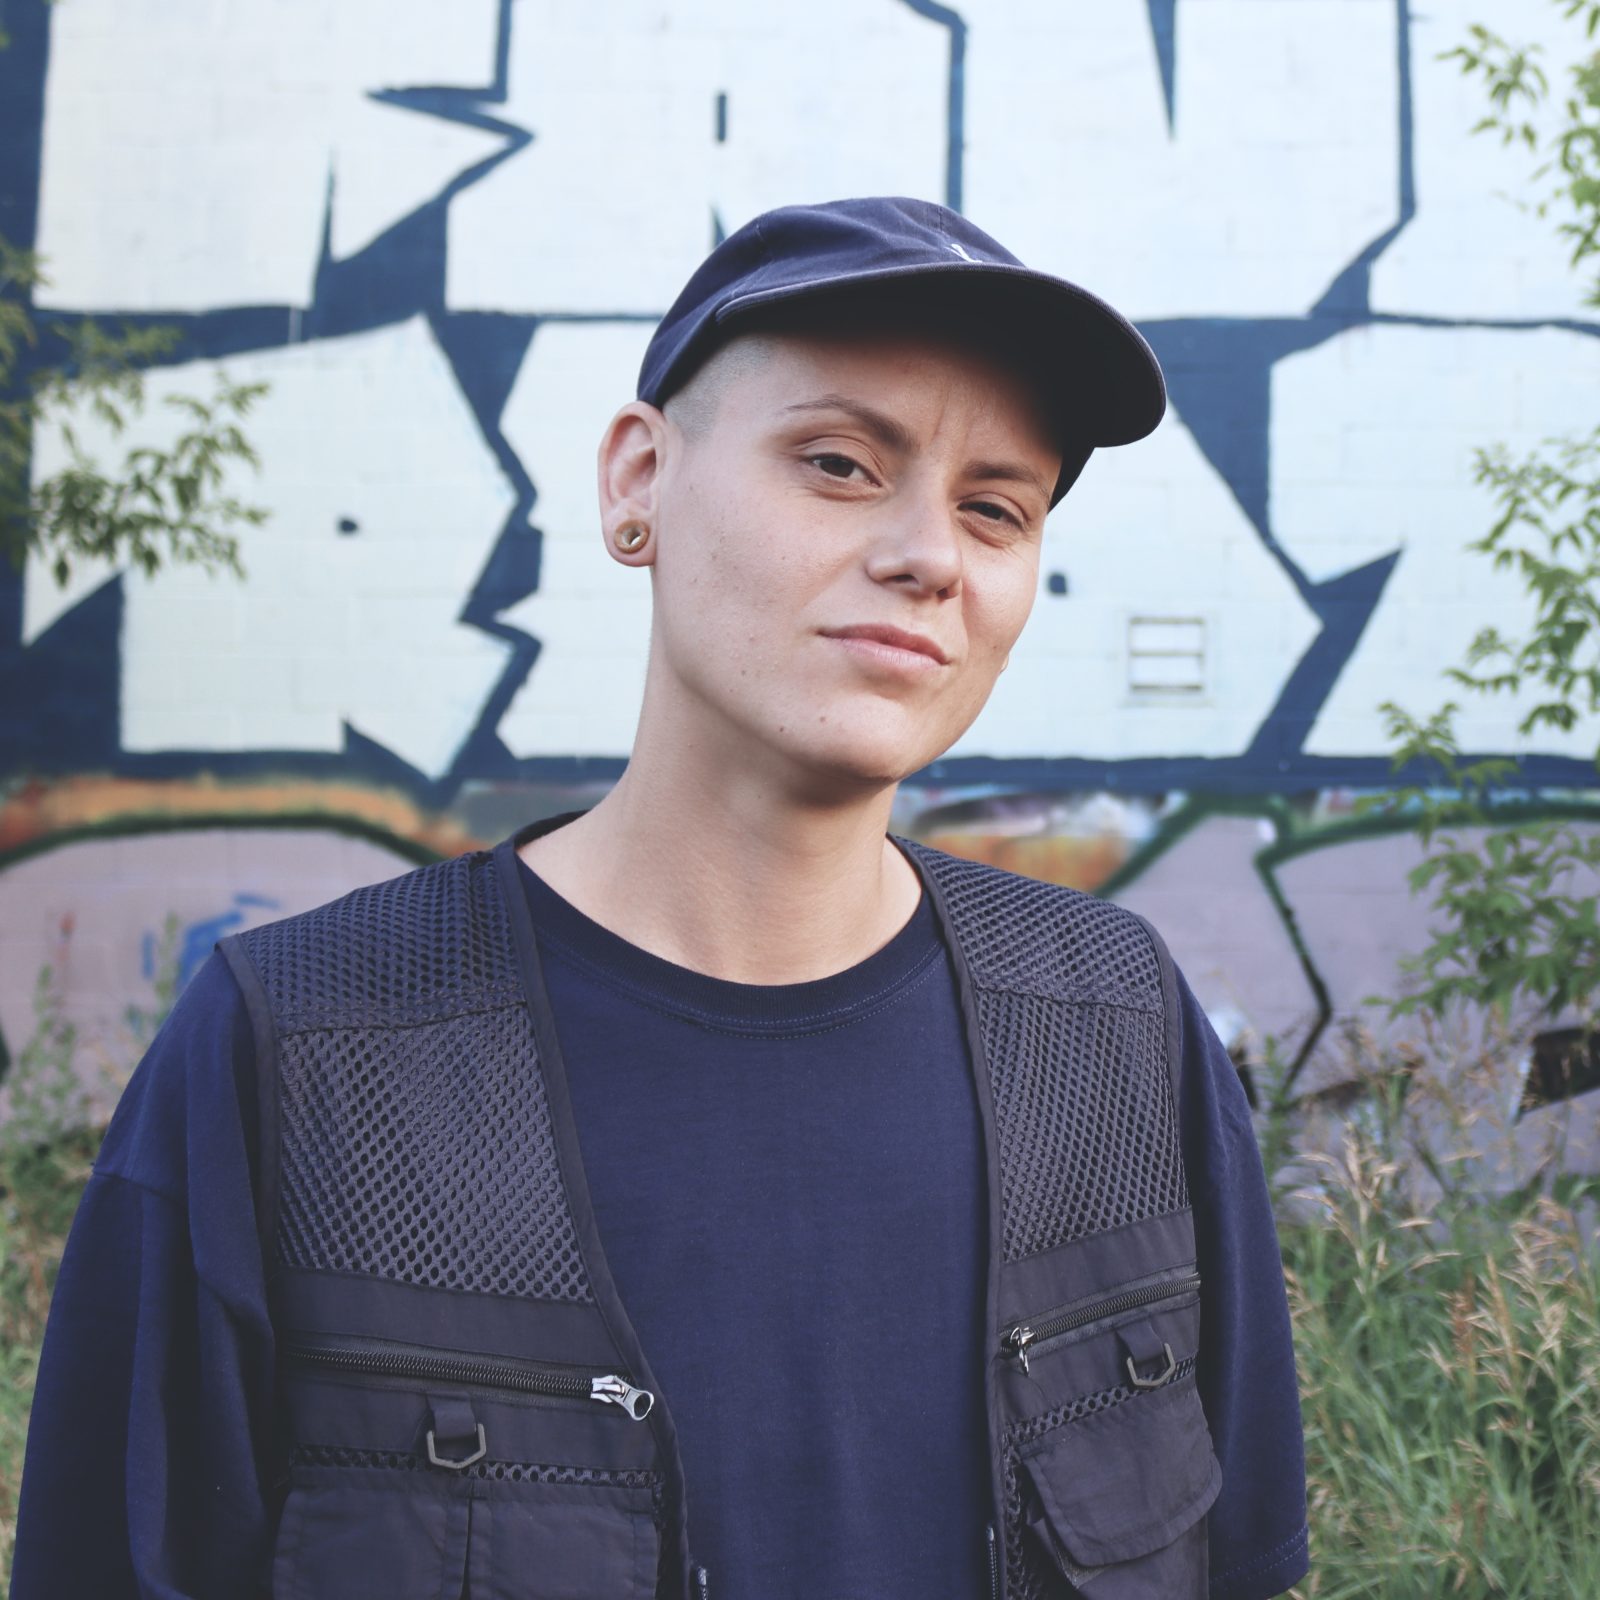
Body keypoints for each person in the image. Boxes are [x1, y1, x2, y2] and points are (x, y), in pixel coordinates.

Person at [11, 197, 1309, 1600]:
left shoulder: (1114, 1031)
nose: (931, 556)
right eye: (839, 462)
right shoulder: (300, 1054)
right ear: (638, 478)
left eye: (996, 508)